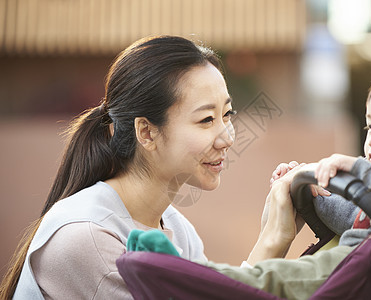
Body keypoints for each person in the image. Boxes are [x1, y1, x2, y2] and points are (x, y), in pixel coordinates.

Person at [0, 36, 303, 299]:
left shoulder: (176, 229)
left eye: (228, 113)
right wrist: (273, 238)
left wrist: (276, 231)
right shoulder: (88, 238)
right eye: (206, 120)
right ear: (146, 132)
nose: (227, 138)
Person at [130, 58, 371, 299]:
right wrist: (309, 189)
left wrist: (355, 169)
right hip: (357, 262)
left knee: (279, 280)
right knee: (278, 275)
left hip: (364, 266)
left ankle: (189, 277)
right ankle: (185, 274)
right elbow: (353, 216)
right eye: (370, 127)